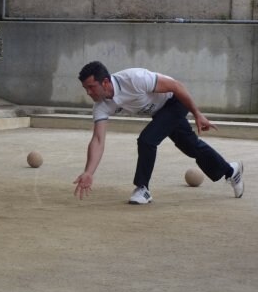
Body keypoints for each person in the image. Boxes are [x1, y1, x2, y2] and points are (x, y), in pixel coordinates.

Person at [74, 61, 244, 204]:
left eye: (91, 87)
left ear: (104, 82)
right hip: (160, 112)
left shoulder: (134, 79)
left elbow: (176, 86)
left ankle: (142, 189)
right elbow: (97, 140)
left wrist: (197, 114)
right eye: (85, 88)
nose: (88, 92)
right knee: (191, 147)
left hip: (175, 101)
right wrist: (89, 172)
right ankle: (230, 171)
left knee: (147, 140)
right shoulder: (101, 106)